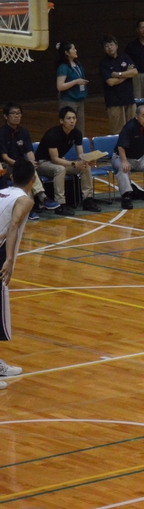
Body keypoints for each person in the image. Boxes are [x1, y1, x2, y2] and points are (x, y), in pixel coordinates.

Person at [0, 160, 36, 389]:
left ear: (12, 178)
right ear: (33, 180)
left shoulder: (2, 193)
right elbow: (13, 226)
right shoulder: (25, 200)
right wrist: (10, 260)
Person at [35, 107, 102, 215]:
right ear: (61, 121)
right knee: (60, 169)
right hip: (43, 163)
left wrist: (87, 161)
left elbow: (81, 155)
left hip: (59, 161)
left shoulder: (76, 133)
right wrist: (74, 163)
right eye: (69, 118)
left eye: (74, 118)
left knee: (85, 166)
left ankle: (87, 200)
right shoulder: (52, 134)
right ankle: (60, 204)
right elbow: (55, 159)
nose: (72, 121)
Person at [0, 103, 57, 217]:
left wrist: (32, 163)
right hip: (6, 166)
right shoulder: (1, 133)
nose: (17, 116)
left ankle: (30, 208)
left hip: (21, 165)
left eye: (19, 113)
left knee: (28, 170)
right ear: (6, 116)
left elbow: (30, 152)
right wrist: (22, 165)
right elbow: (4, 157)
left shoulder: (24, 132)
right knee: (26, 171)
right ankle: (42, 197)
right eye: (13, 113)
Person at [100, 36, 139, 135]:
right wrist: (127, 74)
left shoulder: (125, 57)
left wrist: (119, 75)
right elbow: (110, 82)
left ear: (116, 46)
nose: (109, 47)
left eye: (111, 44)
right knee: (117, 132)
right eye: (106, 46)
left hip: (129, 99)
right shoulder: (103, 63)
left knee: (133, 129)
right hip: (114, 102)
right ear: (104, 49)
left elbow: (134, 72)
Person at [54, 41, 89, 137]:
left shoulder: (77, 64)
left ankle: (79, 149)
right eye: (73, 49)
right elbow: (60, 86)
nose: (76, 50)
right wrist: (76, 82)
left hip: (80, 100)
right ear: (66, 53)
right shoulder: (63, 67)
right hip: (68, 101)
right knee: (68, 128)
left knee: (80, 128)